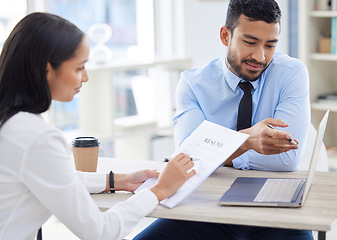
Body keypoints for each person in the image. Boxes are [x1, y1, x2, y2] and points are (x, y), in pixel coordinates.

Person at [0, 12, 196, 240]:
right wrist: (159, 190)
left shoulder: (14, 123)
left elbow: (58, 178)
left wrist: (118, 181)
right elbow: (101, 232)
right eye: (79, 68)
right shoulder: (36, 137)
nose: (85, 77)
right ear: (45, 70)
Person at [133, 0, 313, 239]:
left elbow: (287, 159)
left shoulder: (291, 74)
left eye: (270, 45)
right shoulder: (193, 84)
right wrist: (248, 141)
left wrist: (214, 152)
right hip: (203, 211)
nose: (260, 57)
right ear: (225, 35)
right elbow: (187, 160)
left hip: (276, 214)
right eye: (250, 42)